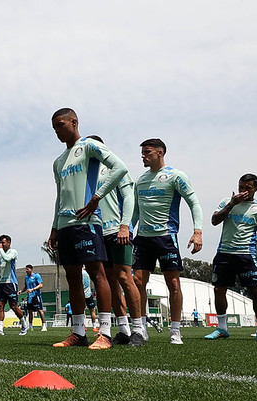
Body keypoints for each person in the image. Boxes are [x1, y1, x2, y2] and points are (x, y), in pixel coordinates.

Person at [47, 108, 128, 350]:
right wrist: (54, 228)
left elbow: (120, 167)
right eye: (54, 128)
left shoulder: (90, 147)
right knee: (73, 278)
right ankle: (78, 333)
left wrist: (97, 197)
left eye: (60, 125)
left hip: (87, 224)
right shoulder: (58, 161)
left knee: (97, 274)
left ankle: (104, 333)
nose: (57, 131)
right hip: (65, 227)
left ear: (74, 122)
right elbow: (59, 195)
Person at [132, 138, 203, 345]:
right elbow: (136, 211)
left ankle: (175, 330)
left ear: (160, 153)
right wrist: (126, 229)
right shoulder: (140, 180)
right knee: (138, 282)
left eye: (147, 152)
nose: (143, 156)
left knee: (173, 283)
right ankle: (141, 328)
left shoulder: (176, 176)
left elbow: (194, 203)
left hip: (166, 236)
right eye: (142, 153)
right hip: (142, 239)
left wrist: (197, 232)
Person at [86, 135, 145, 346]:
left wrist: (125, 226)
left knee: (124, 277)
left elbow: (129, 197)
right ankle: (123, 329)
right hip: (96, 232)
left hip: (117, 231)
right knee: (109, 281)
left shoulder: (115, 167)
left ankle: (139, 330)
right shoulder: (84, 172)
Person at [206, 174, 257, 342]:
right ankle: (222, 328)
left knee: (255, 290)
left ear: (256, 189)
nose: (243, 191)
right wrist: (231, 204)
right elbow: (214, 221)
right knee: (218, 289)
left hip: (247, 255)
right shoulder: (226, 202)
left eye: (248, 188)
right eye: (241, 187)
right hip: (224, 253)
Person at [0, 235, 28, 336]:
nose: (1, 244)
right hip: (1, 284)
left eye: (3, 243)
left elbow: (7, 259)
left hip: (10, 283)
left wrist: (0, 249)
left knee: (13, 306)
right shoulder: (1, 255)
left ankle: (24, 324)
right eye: (0, 243)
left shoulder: (13, 252)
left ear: (9, 243)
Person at [19, 265, 47, 332]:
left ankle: (44, 326)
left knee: (40, 310)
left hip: (36, 296)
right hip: (30, 297)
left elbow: (41, 285)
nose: (26, 270)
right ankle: (30, 326)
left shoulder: (36, 276)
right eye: (26, 269)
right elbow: (26, 286)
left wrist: (33, 289)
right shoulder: (26, 277)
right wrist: (21, 291)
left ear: (31, 269)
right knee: (30, 311)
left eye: (27, 269)